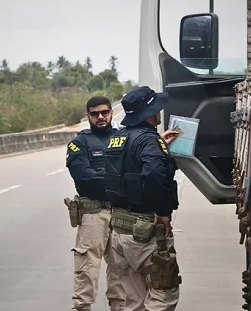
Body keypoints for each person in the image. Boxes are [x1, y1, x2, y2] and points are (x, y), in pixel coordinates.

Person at [104, 86, 182, 311]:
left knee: (134, 300)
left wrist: (160, 145)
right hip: (145, 231)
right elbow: (153, 175)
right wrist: (162, 211)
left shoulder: (117, 138)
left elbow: (129, 169)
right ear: (150, 113)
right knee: (163, 293)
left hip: (119, 228)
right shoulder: (149, 142)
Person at [65, 95, 126, 311]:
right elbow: (85, 179)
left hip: (122, 214)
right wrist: (121, 181)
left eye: (104, 112)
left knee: (121, 269)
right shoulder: (78, 143)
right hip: (93, 213)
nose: (100, 117)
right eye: (94, 113)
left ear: (112, 112)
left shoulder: (124, 138)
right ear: (88, 116)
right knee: (87, 267)